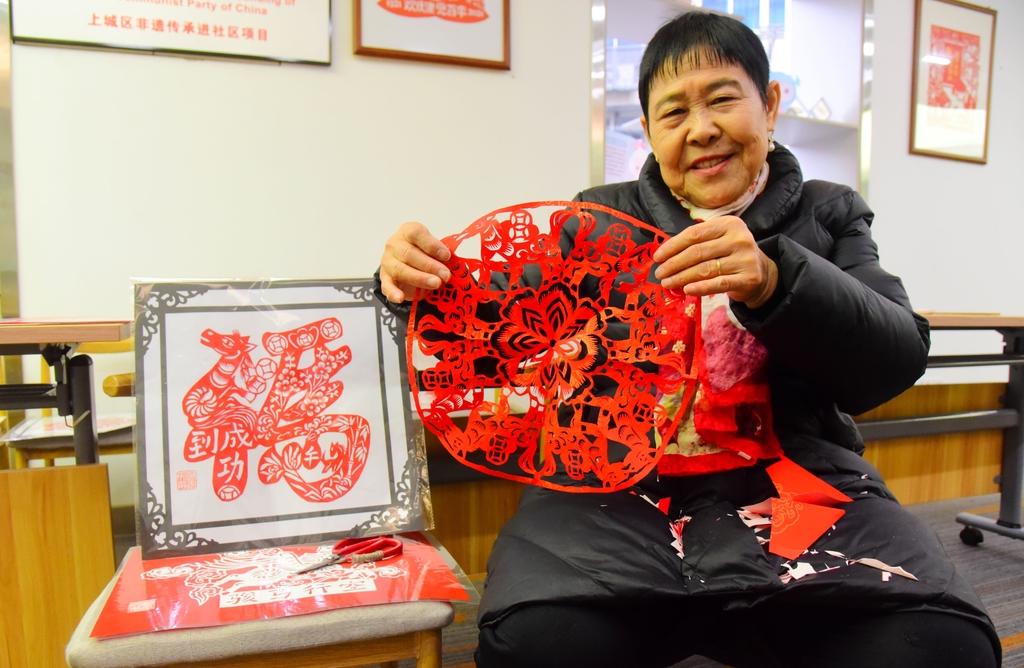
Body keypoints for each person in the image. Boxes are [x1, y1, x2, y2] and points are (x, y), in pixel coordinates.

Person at [375, 11, 1001, 668]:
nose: (701, 129)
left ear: (770, 105)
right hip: (615, 489)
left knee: (940, 646)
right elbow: (486, 334)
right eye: (674, 112)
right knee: (540, 642)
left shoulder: (828, 213)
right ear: (649, 132)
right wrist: (412, 280)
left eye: (722, 99)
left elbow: (896, 356)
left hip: (796, 484)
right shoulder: (596, 220)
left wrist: (776, 279)